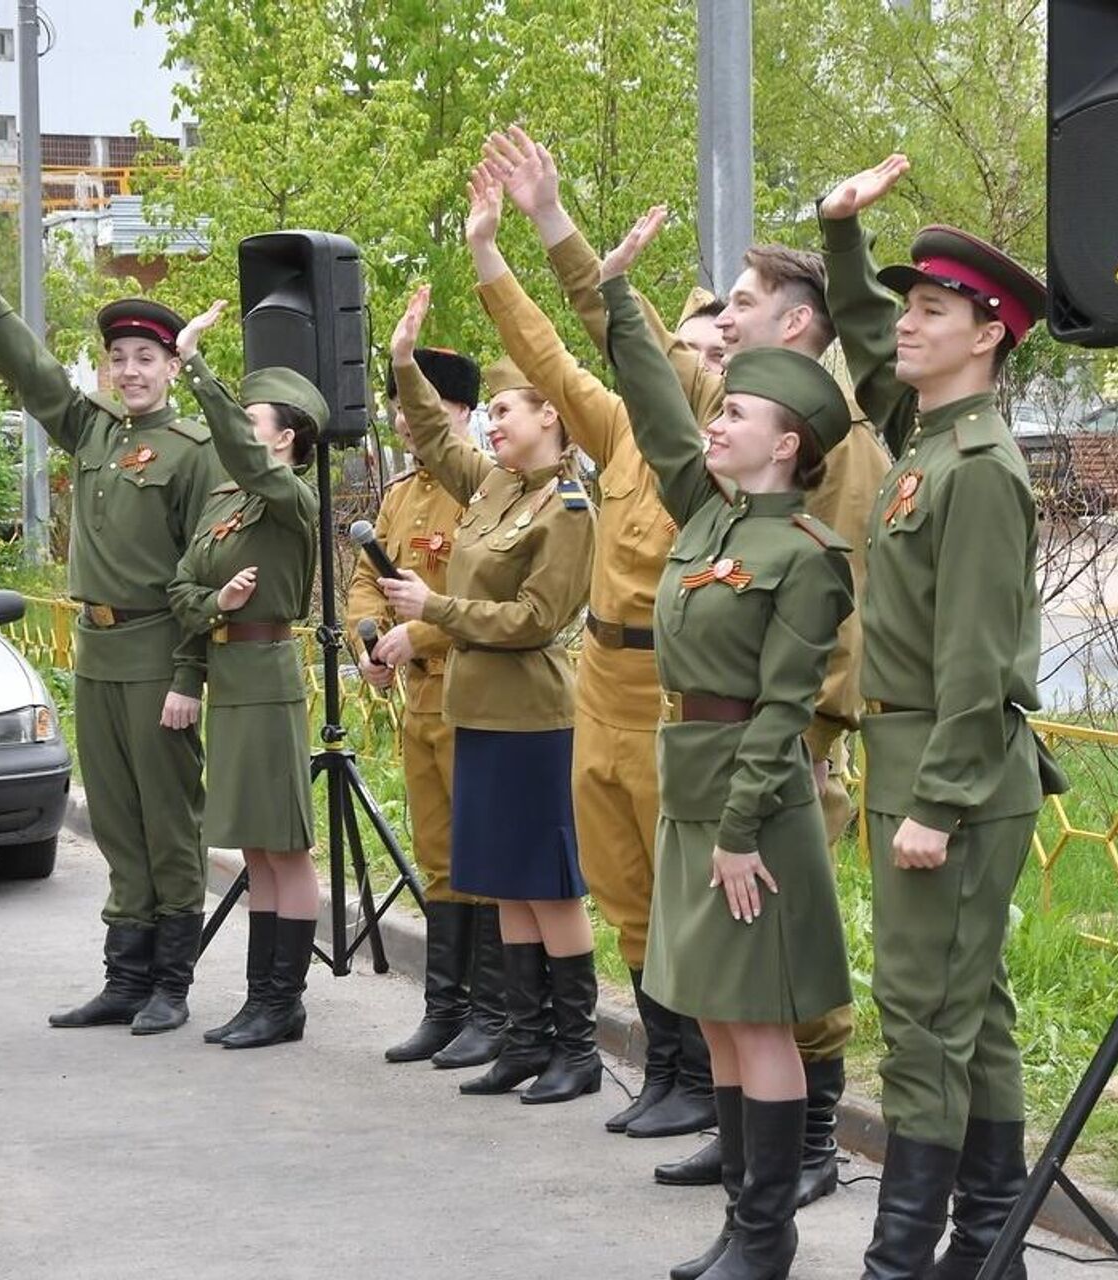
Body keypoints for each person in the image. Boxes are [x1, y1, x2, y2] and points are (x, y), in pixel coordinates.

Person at [484, 124, 884, 1204]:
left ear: (797, 324)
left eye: (743, 305)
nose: (723, 319)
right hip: (699, 734)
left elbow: (828, 621)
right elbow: (644, 373)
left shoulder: (830, 446)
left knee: (785, 963)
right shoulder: (731, 445)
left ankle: (805, 1148)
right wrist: (562, 237)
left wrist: (801, 754)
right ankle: (740, 1136)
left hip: (785, 742)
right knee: (708, 955)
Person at [815, 154, 1066, 1280]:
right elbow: (870, 350)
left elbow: (982, 662)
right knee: (975, 1008)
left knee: (922, 1013)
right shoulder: (927, 441)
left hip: (951, 775)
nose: (904, 325)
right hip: (920, 758)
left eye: (931, 311)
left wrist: (939, 802)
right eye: (906, 306)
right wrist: (840, 240)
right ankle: (991, 1242)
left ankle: (903, 1256)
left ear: (989, 333)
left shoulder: (981, 470)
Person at [602, 204, 856, 1280]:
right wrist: (614, 293)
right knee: (712, 1018)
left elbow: (782, 707)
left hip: (751, 810)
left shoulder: (806, 553)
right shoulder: (708, 519)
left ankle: (768, 1234)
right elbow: (659, 406)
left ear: (786, 441)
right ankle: (737, 1225)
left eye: (737, 409)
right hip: (692, 792)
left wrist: (743, 830)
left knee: (757, 1024)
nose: (717, 419)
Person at [464, 160, 719, 1141]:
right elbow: (547, 351)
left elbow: (626, 341)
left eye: (693, 347)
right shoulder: (618, 438)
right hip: (602, 682)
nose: (668, 355)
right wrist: (493, 248)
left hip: (671, 683)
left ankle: (700, 1072)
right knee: (623, 892)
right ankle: (665, 1067)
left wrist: (578, 250)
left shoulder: (713, 464)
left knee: (676, 890)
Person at [0, 187, 219, 1036]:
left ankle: (172, 983)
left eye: (147, 358)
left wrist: (189, 676)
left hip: (157, 656)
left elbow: (205, 572)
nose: (131, 371)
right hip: (98, 657)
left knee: (168, 825)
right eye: (120, 359)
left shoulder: (193, 454)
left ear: (174, 368)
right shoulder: (97, 432)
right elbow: (31, 372)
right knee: (114, 823)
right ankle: (124, 977)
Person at [381, 283, 599, 1105]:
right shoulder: (497, 487)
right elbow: (437, 435)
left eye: (508, 409)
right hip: (477, 713)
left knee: (547, 883)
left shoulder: (568, 506)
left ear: (552, 415)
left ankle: (575, 1048)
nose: (495, 423)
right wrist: (404, 362)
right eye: (495, 411)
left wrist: (435, 609)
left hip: (532, 719)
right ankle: (523, 1036)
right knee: (505, 879)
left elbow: (538, 618)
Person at [163, 302, 324, 1050]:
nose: (240, 432)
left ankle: (282, 1001)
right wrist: (213, 602)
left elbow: (245, 455)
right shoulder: (229, 502)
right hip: (231, 672)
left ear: (284, 438)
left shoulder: (291, 496)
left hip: (267, 671)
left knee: (283, 845)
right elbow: (181, 588)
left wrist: (195, 366)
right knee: (255, 848)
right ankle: (264, 998)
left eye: (252, 419)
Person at [345, 348, 508, 1070]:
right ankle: (445, 1008)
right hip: (420, 698)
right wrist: (369, 643)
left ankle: (495, 1010)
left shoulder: (487, 490)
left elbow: (500, 599)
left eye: (425, 411)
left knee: (485, 854)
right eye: (402, 410)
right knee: (438, 854)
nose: (408, 424)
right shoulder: (402, 494)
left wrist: (422, 632)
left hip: (475, 687)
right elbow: (364, 582)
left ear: (462, 415)